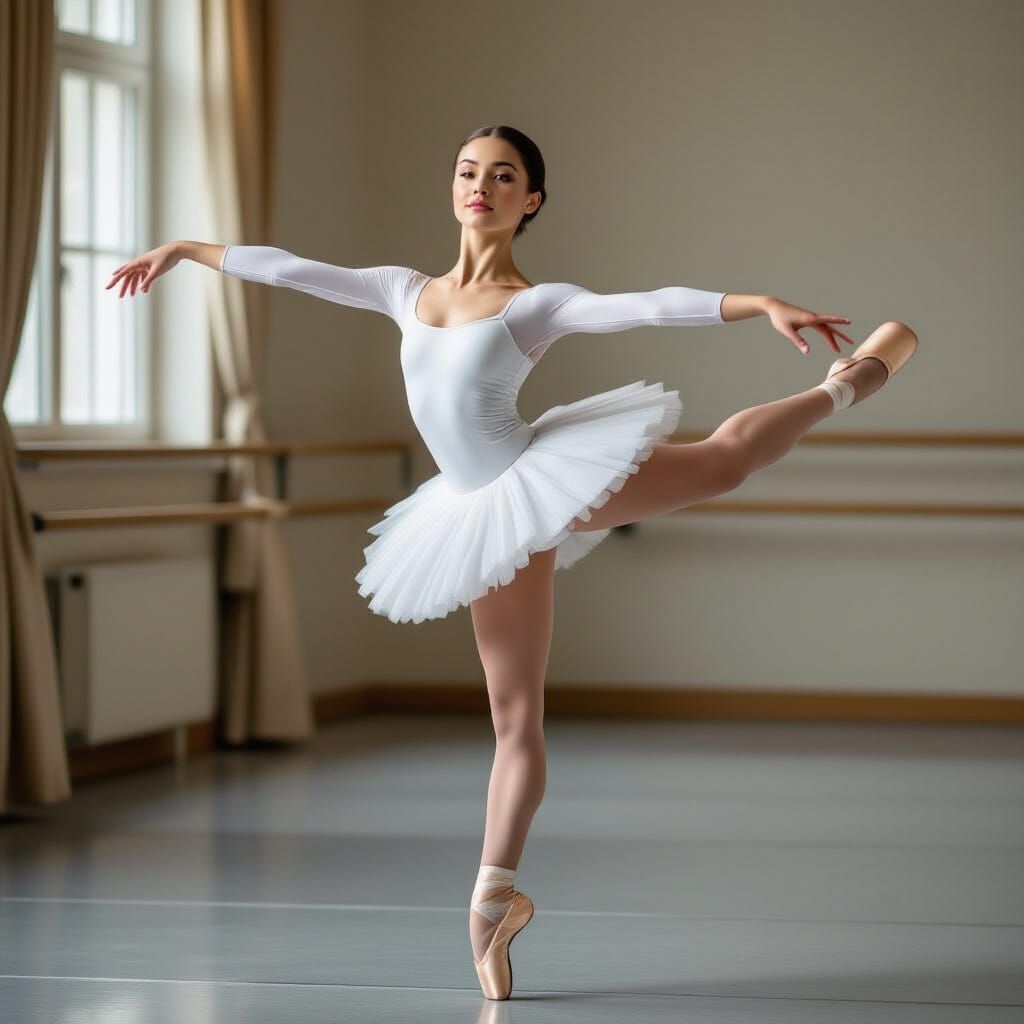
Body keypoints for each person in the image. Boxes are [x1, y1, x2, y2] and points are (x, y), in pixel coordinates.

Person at [105, 123, 918, 1001]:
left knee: (722, 459)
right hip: (476, 513)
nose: (478, 186)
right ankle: (494, 901)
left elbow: (646, 303)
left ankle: (849, 381)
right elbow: (290, 267)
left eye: (501, 176)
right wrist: (185, 248)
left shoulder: (538, 304)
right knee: (513, 717)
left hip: (538, 478)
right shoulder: (400, 290)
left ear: (529, 199)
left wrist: (756, 302)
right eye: (466, 171)